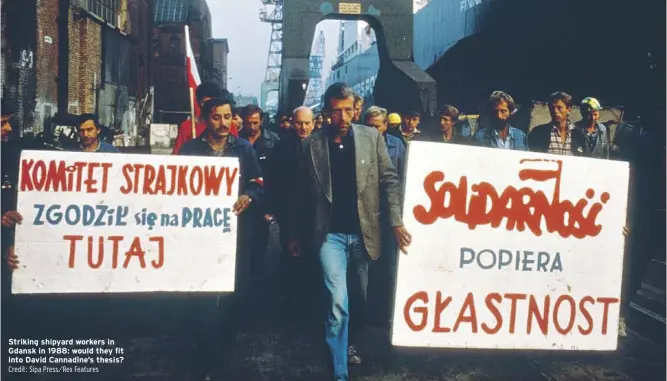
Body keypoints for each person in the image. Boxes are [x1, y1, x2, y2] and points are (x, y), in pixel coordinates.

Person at [290, 82, 411, 381]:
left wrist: (396, 221)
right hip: (328, 236)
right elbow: (300, 195)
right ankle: (339, 367)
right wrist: (293, 234)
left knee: (359, 296)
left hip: (364, 233)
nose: (342, 118)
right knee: (338, 300)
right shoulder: (311, 145)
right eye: (336, 111)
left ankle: (350, 343)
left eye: (348, 110)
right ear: (326, 112)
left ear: (355, 109)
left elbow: (390, 180)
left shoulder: (371, 138)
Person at [178, 96, 263, 381]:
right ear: (205, 119)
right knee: (200, 293)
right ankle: (206, 350)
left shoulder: (245, 149)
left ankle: (224, 348)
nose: (223, 123)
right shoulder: (190, 150)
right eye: (217, 117)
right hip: (199, 237)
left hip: (236, 235)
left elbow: (258, 184)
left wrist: (248, 196)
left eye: (228, 117)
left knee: (235, 293)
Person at [363, 105, 406, 328]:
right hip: (365, 212)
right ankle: (367, 312)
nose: (372, 132)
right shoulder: (358, 146)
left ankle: (385, 313)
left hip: (389, 212)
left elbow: (403, 177)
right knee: (366, 265)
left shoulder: (398, 145)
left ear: (385, 126)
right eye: (369, 127)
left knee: (388, 265)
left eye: (377, 127)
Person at [240, 104, 280, 279]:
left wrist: (272, 207)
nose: (252, 127)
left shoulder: (273, 141)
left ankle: (256, 280)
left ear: (261, 120)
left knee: (260, 244)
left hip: (264, 200)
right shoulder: (235, 140)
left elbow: (279, 176)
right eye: (248, 123)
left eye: (255, 122)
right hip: (242, 198)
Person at [172, 82, 238, 154]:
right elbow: (177, 157)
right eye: (205, 102)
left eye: (213, 102)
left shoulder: (228, 125)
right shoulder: (187, 126)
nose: (209, 106)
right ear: (198, 103)